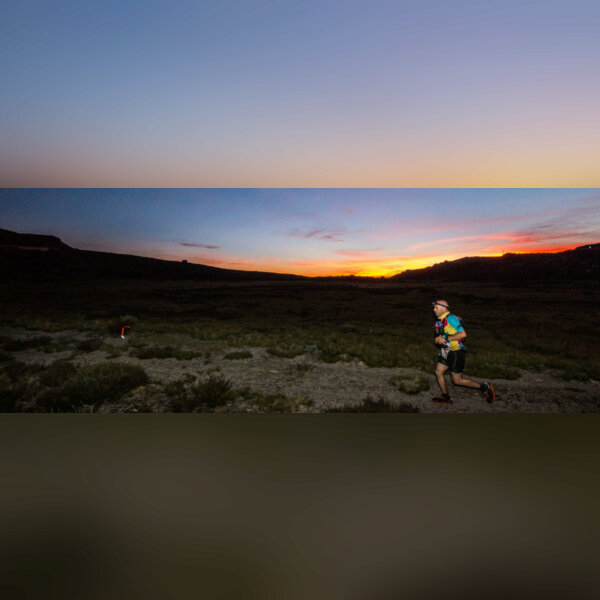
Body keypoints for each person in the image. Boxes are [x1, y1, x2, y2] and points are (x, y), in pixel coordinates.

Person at [431, 299, 495, 405]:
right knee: (438, 372)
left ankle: (484, 387)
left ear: (443, 308)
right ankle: (445, 396)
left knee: (457, 380)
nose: (434, 310)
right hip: (446, 351)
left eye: (436, 307)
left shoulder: (451, 318)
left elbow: (463, 334)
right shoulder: (440, 320)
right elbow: (442, 334)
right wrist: (438, 339)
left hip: (455, 353)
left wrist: (446, 339)